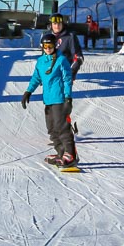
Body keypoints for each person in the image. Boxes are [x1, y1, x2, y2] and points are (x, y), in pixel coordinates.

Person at [21, 34, 77, 167]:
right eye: (45, 46)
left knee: (61, 127)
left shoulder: (61, 60)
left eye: (50, 46)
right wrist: (28, 91)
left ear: (55, 45)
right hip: (48, 100)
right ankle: (61, 153)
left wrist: (68, 97)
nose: (47, 48)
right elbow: (36, 77)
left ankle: (70, 154)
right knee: (51, 129)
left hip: (60, 98)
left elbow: (67, 80)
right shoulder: (41, 61)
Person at [47, 13, 83, 81]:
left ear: (63, 24)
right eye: (55, 23)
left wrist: (72, 71)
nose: (57, 26)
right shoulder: (48, 37)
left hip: (65, 71)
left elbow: (78, 57)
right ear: (51, 25)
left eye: (59, 23)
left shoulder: (70, 37)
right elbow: (44, 57)